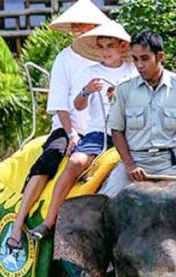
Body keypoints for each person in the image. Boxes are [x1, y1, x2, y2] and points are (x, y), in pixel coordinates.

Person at [84, 29, 176, 277]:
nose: (139, 65)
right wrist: (128, 166)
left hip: (172, 164)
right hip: (136, 164)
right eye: (135, 59)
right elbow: (116, 131)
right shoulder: (125, 89)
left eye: (145, 59)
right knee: (102, 208)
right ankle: (105, 275)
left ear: (160, 57)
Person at [5, 0, 109, 252]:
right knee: (52, 155)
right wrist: (71, 133)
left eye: (86, 24)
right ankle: (18, 225)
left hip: (106, 128)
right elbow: (61, 103)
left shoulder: (111, 58)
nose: (80, 29)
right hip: (71, 127)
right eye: (77, 25)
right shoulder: (65, 58)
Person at [28, 21, 137, 241]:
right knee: (76, 161)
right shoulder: (91, 72)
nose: (105, 51)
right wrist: (86, 92)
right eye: (101, 47)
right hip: (99, 133)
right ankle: (49, 221)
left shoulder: (133, 72)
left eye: (110, 46)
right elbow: (78, 105)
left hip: (129, 135)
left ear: (122, 46)